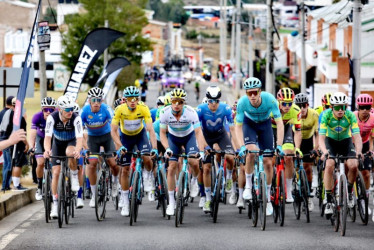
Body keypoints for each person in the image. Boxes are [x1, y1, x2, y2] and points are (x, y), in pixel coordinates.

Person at [236, 77, 284, 216]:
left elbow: (280, 124)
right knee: (251, 153)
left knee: (268, 161)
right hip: (249, 124)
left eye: (255, 93)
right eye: (249, 93)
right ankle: (248, 185)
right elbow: (238, 127)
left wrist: (279, 145)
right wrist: (241, 146)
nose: (252, 96)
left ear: (260, 91)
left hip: (265, 126)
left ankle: (268, 198)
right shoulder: (242, 102)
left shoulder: (270, 100)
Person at [159, 88, 208, 216]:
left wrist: (201, 151)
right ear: (171, 101)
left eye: (179, 102)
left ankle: (194, 181)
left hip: (189, 137)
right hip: (173, 139)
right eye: (174, 101)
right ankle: (171, 202)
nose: (176, 104)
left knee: (194, 162)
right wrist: (167, 149)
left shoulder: (191, 112)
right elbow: (163, 134)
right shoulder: (165, 112)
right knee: (172, 167)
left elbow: (198, 132)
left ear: (184, 103)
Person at [111, 86, 158, 217]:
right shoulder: (120, 109)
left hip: (140, 135)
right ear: (125, 100)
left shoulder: (143, 108)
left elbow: (150, 130)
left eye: (135, 99)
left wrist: (154, 147)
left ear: (139, 99)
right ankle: (125, 201)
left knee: (147, 157)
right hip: (125, 138)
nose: (133, 101)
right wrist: (119, 146)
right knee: (125, 169)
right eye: (130, 99)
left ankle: (147, 176)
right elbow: (113, 131)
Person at [196, 85, 238, 213]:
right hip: (206, 136)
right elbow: (198, 131)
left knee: (231, 157)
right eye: (211, 101)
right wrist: (205, 147)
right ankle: (208, 199)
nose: (213, 104)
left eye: (216, 101)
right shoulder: (200, 109)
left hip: (221, 136)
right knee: (206, 168)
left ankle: (229, 177)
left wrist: (237, 149)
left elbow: (232, 130)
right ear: (207, 100)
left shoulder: (225, 109)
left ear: (220, 100)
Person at [319, 92, 362, 215]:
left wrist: (358, 152)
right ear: (332, 107)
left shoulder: (350, 116)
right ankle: (327, 201)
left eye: (343, 107)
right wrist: (324, 151)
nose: (340, 110)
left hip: (346, 142)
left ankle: (349, 192)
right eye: (337, 107)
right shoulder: (326, 115)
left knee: (353, 165)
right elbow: (321, 138)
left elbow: (357, 136)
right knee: (329, 165)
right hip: (330, 142)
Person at [44, 95, 83, 218]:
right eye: (67, 109)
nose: (70, 112)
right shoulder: (52, 118)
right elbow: (48, 137)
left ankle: (74, 176)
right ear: (60, 109)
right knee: (56, 172)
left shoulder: (76, 118)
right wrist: (47, 150)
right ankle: (55, 205)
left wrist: (77, 150)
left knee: (70, 153)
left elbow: (80, 138)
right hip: (57, 143)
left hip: (71, 142)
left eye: (71, 108)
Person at [81, 87, 120, 209]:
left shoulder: (107, 109)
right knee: (91, 164)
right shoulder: (84, 111)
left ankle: (114, 182)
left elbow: (114, 128)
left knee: (113, 163)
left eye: (99, 100)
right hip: (93, 139)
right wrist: (85, 148)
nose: (97, 102)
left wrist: (118, 146)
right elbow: (80, 133)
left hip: (107, 137)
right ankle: (94, 194)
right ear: (89, 101)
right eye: (94, 100)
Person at [294, 93, 319, 211]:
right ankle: (294, 185)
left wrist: (316, 148)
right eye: (299, 106)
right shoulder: (294, 114)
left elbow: (318, 134)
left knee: (308, 167)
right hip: (296, 140)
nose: (302, 108)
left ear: (307, 105)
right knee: (295, 167)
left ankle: (308, 197)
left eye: (304, 105)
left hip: (308, 141)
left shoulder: (314, 114)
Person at [29, 97, 57, 200]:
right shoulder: (37, 117)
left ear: (55, 110)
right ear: (42, 109)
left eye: (51, 110)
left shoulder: (58, 116)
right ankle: (40, 186)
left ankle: (57, 184)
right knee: (40, 163)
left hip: (54, 138)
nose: (48, 112)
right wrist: (32, 147)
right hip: (40, 138)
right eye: (46, 109)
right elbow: (32, 133)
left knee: (54, 161)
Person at [0, 97, 29, 191]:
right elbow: (21, 133)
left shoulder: (5, 113)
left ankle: (5, 185)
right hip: (14, 143)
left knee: (7, 164)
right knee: (17, 164)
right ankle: (15, 185)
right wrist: (26, 143)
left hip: (4, 141)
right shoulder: (18, 117)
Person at [353, 94, 374, 218]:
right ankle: (349, 192)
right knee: (351, 167)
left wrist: (371, 150)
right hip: (352, 143)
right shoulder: (352, 116)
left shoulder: (372, 118)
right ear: (358, 107)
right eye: (362, 107)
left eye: (367, 107)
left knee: (366, 172)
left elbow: (372, 137)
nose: (365, 110)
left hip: (365, 144)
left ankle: (364, 197)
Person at [0, 95, 14, 191]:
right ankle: (5, 185)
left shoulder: (1, 112)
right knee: (8, 164)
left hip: (2, 140)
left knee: (6, 163)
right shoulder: (10, 113)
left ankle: (6, 185)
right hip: (7, 140)